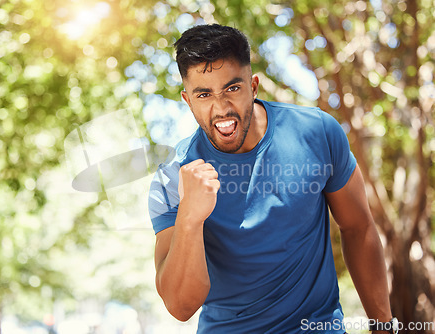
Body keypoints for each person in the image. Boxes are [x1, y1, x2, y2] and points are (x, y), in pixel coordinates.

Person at [148, 24, 396, 333]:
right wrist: (189, 218)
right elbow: (180, 307)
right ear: (187, 100)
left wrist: (384, 327)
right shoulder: (172, 175)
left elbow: (358, 228)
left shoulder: (316, 132)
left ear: (253, 86)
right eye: (204, 94)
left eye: (232, 88)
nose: (222, 107)